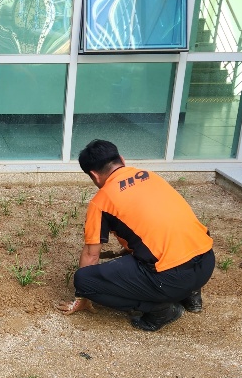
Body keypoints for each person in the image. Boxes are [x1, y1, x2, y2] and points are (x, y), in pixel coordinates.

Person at [58, 139, 214, 332]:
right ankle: (192, 295)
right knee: (167, 244)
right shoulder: (150, 176)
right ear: (122, 160)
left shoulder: (101, 201)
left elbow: (91, 255)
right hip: (206, 261)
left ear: (94, 175)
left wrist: (83, 295)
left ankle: (161, 310)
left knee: (84, 280)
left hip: (171, 279)